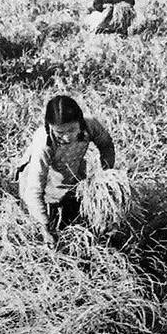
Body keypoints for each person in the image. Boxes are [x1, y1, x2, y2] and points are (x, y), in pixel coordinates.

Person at [16, 95, 115, 245]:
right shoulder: (43, 144)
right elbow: (34, 190)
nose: (67, 137)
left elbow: (106, 145)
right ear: (50, 127)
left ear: (80, 122)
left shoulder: (90, 125)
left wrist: (104, 177)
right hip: (42, 184)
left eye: (71, 130)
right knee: (49, 228)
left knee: (78, 222)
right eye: (60, 133)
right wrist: (44, 229)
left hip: (71, 177)